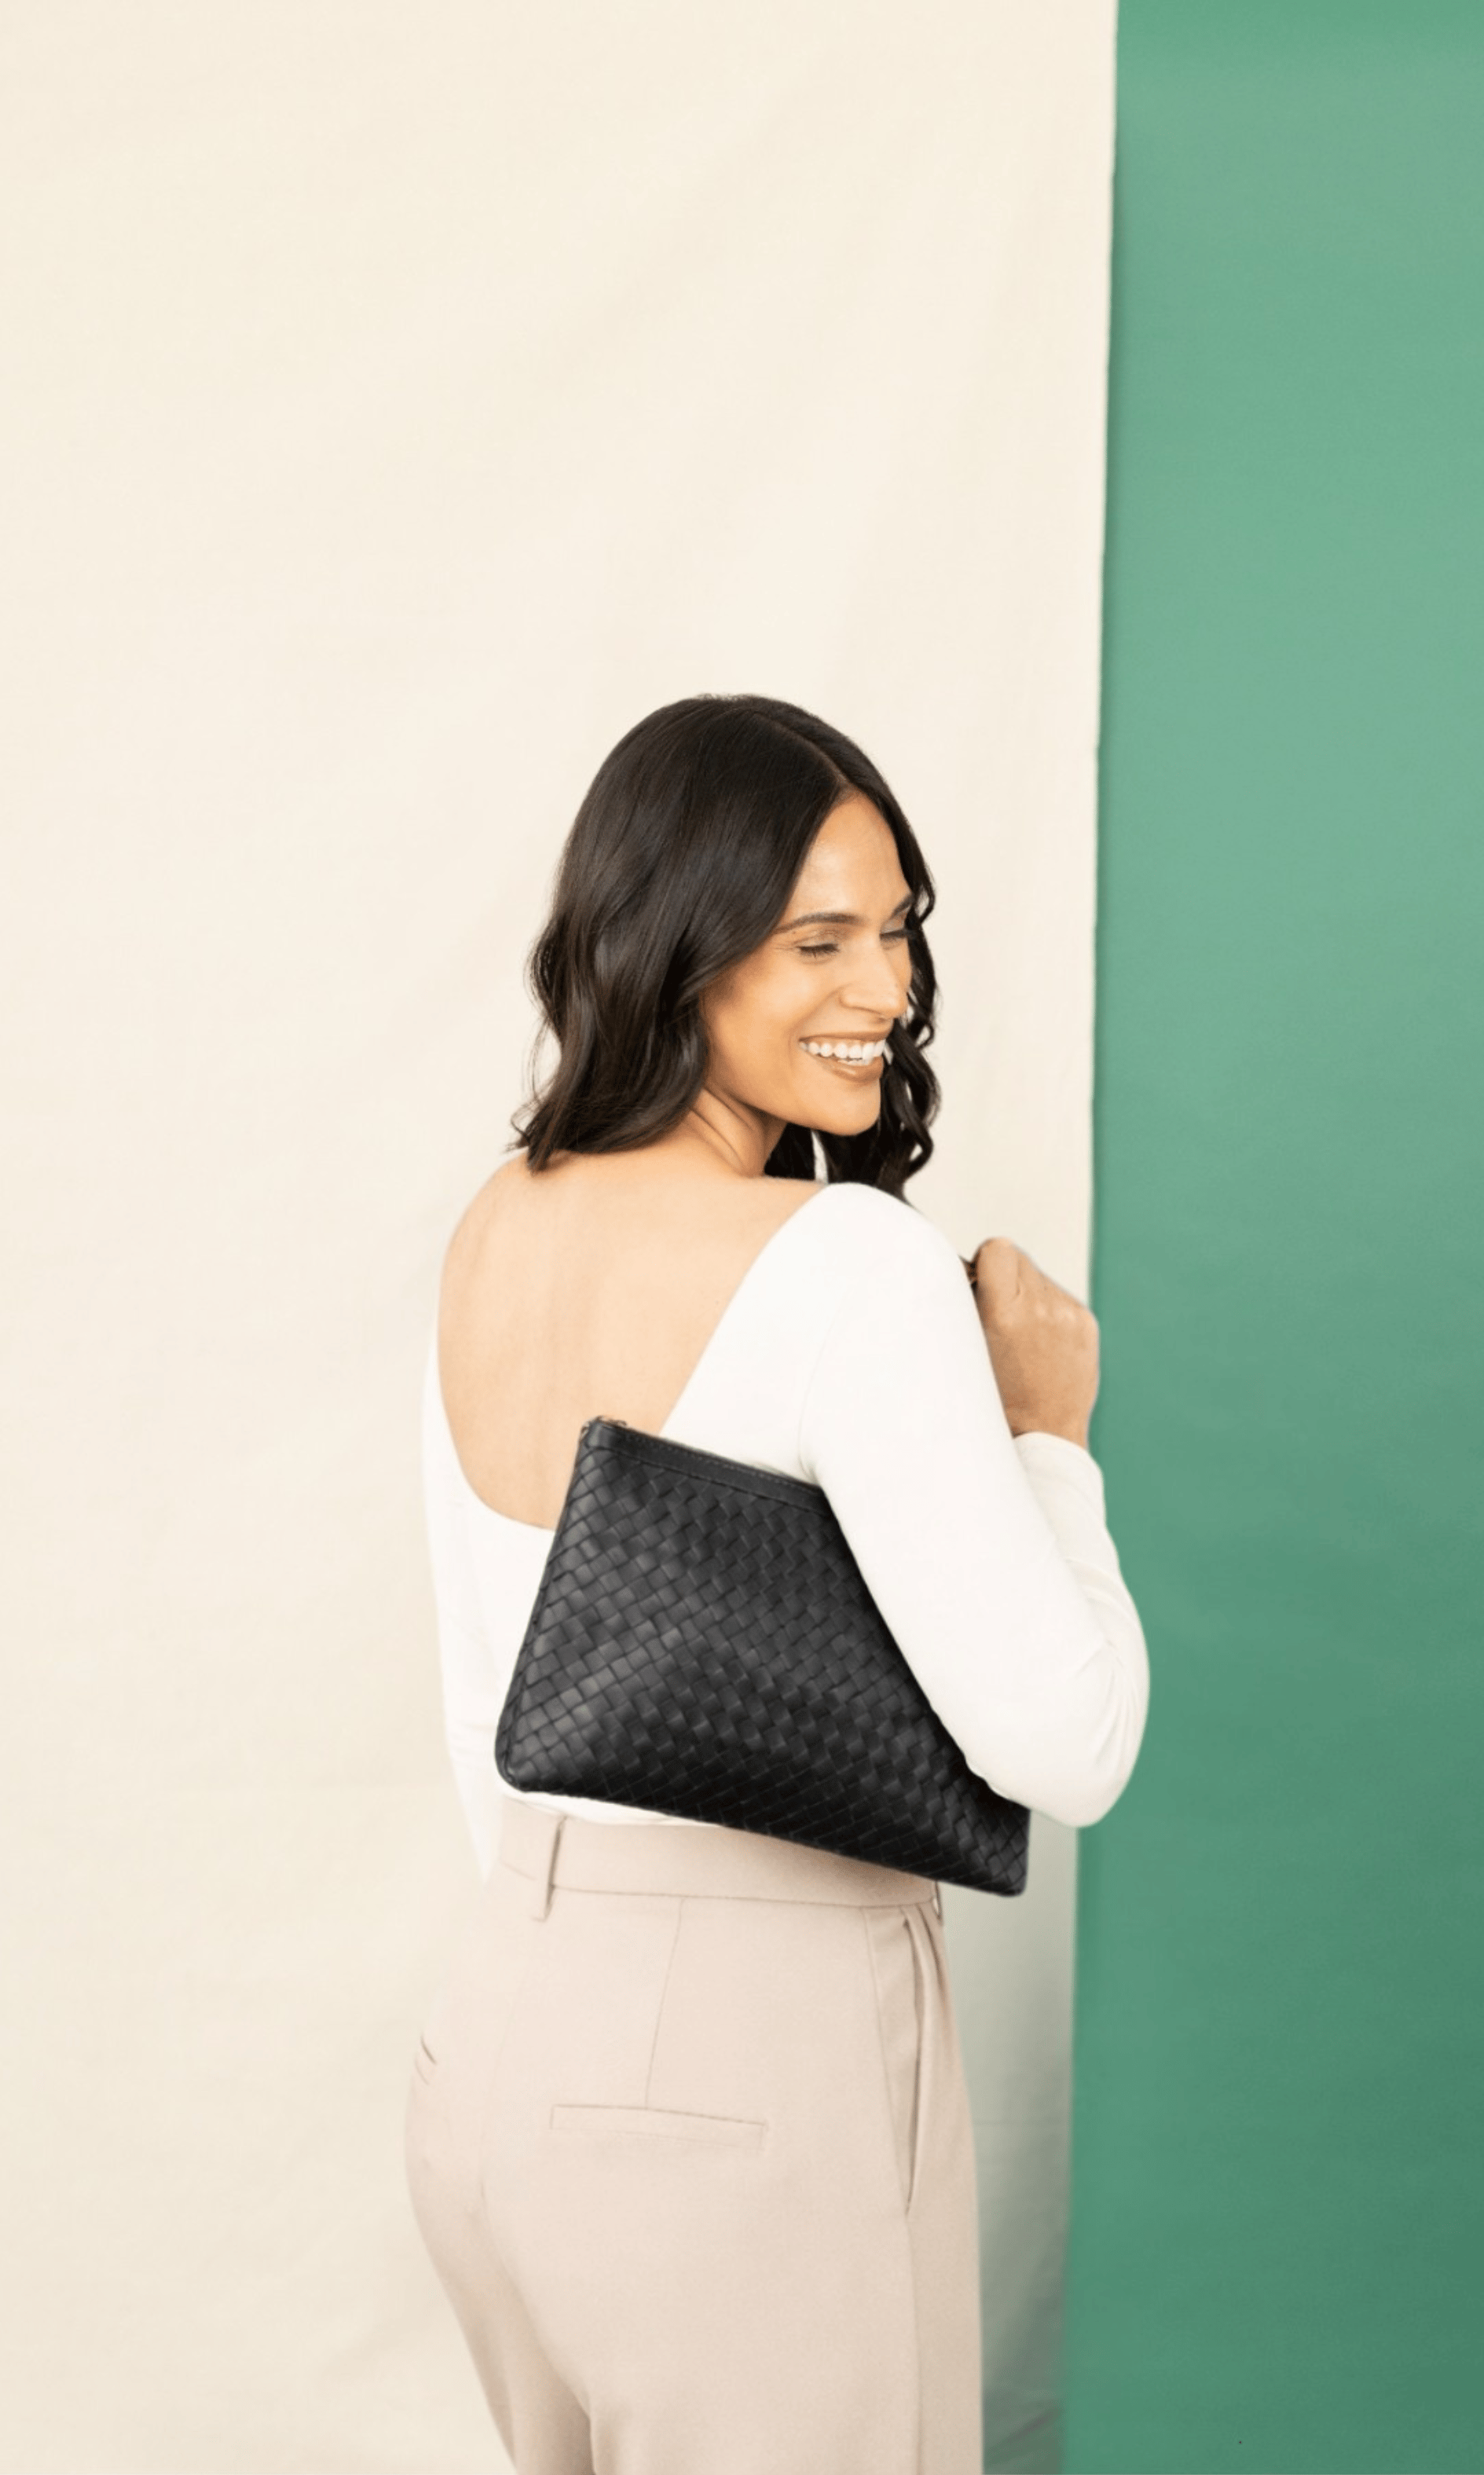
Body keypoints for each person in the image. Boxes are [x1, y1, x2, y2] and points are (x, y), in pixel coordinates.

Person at [405, 692, 1149, 2475]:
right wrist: (1052, 1436)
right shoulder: (845, 1267)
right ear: (674, 953)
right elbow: (1074, 1742)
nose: (884, 990)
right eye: (818, 939)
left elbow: (487, 1688)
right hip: (752, 2082)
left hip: (499, 2035)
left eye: (897, 930)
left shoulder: (500, 1219)